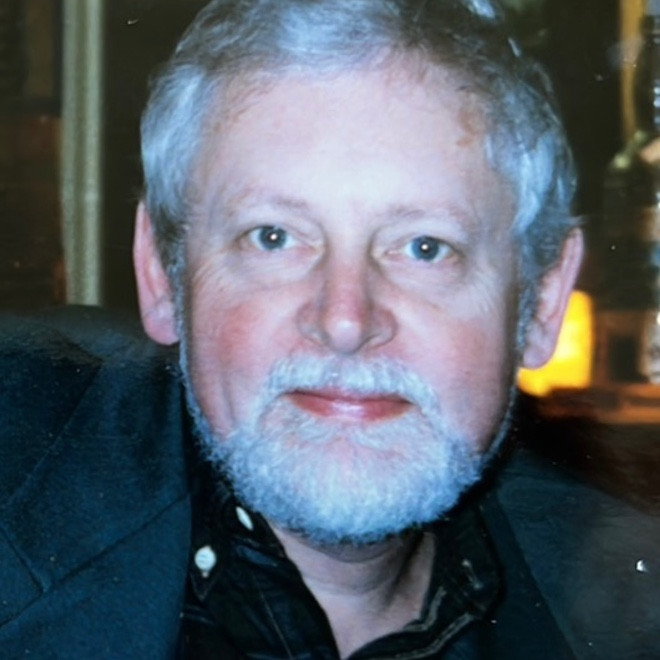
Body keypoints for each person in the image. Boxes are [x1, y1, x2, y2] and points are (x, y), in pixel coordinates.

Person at [1, 0, 659, 658]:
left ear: (541, 303)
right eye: (274, 237)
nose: (345, 321)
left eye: (425, 247)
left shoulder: (631, 611)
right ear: (162, 273)